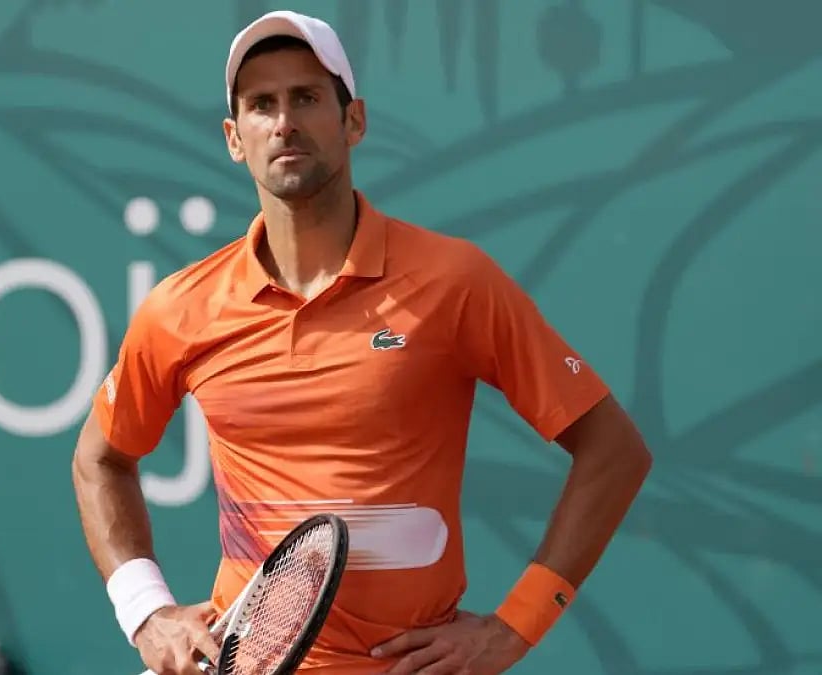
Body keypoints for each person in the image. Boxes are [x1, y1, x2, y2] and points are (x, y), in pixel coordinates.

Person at [72, 9, 652, 675]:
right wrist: (146, 612)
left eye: (307, 97)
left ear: (354, 122)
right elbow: (100, 460)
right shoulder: (181, 306)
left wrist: (514, 625)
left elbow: (613, 449)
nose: (284, 121)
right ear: (235, 138)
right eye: (261, 104)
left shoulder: (454, 280)